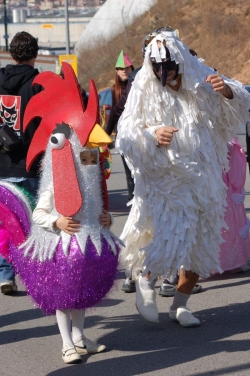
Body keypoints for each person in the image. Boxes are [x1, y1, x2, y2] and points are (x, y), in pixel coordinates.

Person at [116, 27, 250, 326]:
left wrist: (227, 91)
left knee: (202, 241)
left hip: (206, 175)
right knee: (172, 231)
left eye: (171, 70)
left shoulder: (200, 73)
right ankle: (146, 283)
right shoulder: (143, 86)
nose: (167, 76)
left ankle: (180, 305)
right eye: (159, 69)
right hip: (168, 176)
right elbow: (125, 134)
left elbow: (238, 103)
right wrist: (153, 134)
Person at [10, 62, 121, 364]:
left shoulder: (89, 176)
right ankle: (65, 343)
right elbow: (38, 214)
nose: (87, 156)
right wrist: (56, 220)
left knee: (81, 295)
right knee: (64, 296)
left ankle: (80, 337)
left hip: (86, 243)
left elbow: (98, 205)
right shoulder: (56, 181)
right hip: (60, 245)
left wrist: (105, 220)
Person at [0, 31, 42, 294]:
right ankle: (35, 272)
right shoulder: (39, 83)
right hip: (30, 161)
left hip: (1, 164)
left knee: (5, 222)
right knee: (35, 219)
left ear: (12, 53)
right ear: (35, 54)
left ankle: (5, 273)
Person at [105, 50, 135, 202]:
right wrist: (106, 136)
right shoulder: (114, 90)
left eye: (127, 68)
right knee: (129, 174)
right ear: (117, 72)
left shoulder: (137, 85)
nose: (124, 71)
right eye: (121, 68)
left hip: (137, 134)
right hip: (123, 136)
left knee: (139, 172)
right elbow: (115, 112)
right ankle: (132, 202)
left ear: (132, 69)